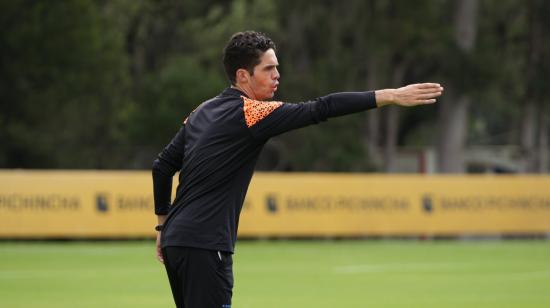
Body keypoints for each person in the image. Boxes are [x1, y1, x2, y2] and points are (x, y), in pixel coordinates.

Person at [152, 30, 443, 307]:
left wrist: (163, 226)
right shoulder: (252, 113)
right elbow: (321, 108)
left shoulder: (201, 111)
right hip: (205, 244)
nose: (277, 75)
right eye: (268, 69)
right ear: (243, 75)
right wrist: (389, 95)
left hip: (177, 241)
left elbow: (162, 167)